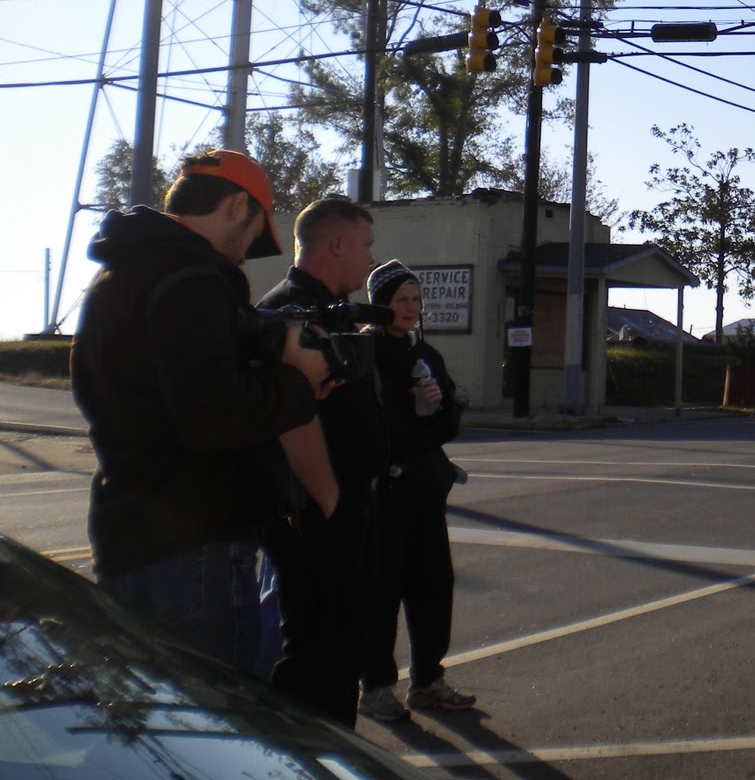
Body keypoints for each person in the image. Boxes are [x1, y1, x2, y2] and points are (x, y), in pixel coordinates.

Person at [71, 149, 334, 670]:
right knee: (215, 708)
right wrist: (297, 382)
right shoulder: (193, 279)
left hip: (129, 535)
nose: (246, 255)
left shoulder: (120, 275)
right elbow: (214, 415)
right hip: (194, 546)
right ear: (237, 206)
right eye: (253, 233)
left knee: (152, 711)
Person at [258, 196, 386, 727]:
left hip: (344, 508)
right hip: (314, 517)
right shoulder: (288, 315)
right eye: (365, 246)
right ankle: (314, 756)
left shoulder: (331, 312)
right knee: (316, 662)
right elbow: (289, 421)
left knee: (341, 655)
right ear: (336, 244)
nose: (371, 259)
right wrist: (333, 503)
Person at [357, 259, 476, 722]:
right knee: (381, 595)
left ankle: (427, 681)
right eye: (400, 300)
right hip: (386, 498)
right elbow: (363, 422)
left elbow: (447, 426)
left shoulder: (426, 354)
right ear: (380, 304)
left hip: (426, 495)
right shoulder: (367, 352)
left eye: (415, 299)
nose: (410, 308)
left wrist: (439, 406)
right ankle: (376, 688)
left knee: (433, 590)